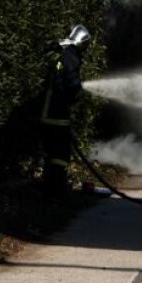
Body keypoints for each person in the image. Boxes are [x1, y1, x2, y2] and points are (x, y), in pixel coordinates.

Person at [41, 24, 90, 197]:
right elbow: (71, 81)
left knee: (52, 153)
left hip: (49, 110)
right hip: (57, 112)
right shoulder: (71, 55)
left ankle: (49, 188)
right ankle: (56, 190)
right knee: (61, 154)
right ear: (83, 42)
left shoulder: (62, 51)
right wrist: (77, 88)